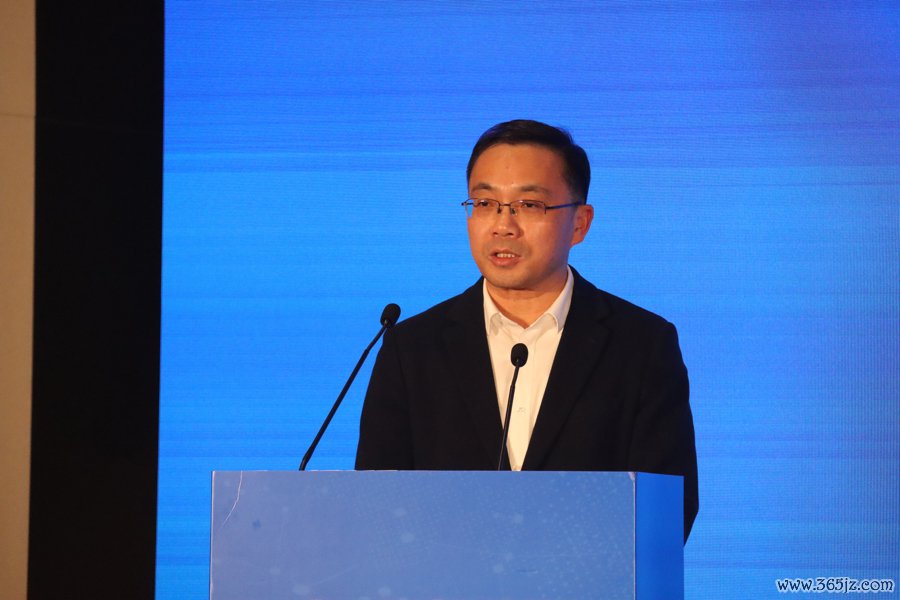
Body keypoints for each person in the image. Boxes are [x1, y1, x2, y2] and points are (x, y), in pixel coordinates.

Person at [356, 119, 698, 541]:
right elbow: (377, 507)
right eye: (485, 203)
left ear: (580, 223)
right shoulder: (412, 349)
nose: (503, 225)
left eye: (529, 205)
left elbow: (666, 512)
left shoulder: (641, 346)